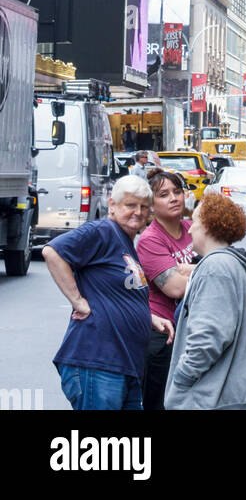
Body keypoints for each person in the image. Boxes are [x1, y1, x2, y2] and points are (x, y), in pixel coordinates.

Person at [42, 175, 174, 411]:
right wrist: (77, 301)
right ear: (112, 205)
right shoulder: (103, 230)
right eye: (130, 205)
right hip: (98, 364)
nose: (138, 212)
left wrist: (149, 318)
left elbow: (117, 293)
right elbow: (53, 252)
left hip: (124, 367)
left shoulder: (125, 243)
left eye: (144, 207)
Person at [164, 194, 246, 411]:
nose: (189, 229)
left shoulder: (215, 268)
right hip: (235, 394)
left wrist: (181, 379)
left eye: (196, 222)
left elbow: (208, 337)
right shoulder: (234, 264)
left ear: (208, 226)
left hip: (214, 397)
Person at [136, 169, 196, 410]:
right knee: (160, 402)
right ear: (151, 204)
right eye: (163, 194)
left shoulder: (192, 227)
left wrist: (187, 268)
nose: (173, 198)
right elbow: (175, 288)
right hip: (163, 335)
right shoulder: (150, 240)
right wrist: (201, 268)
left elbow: (222, 258)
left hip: (190, 330)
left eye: (177, 191)